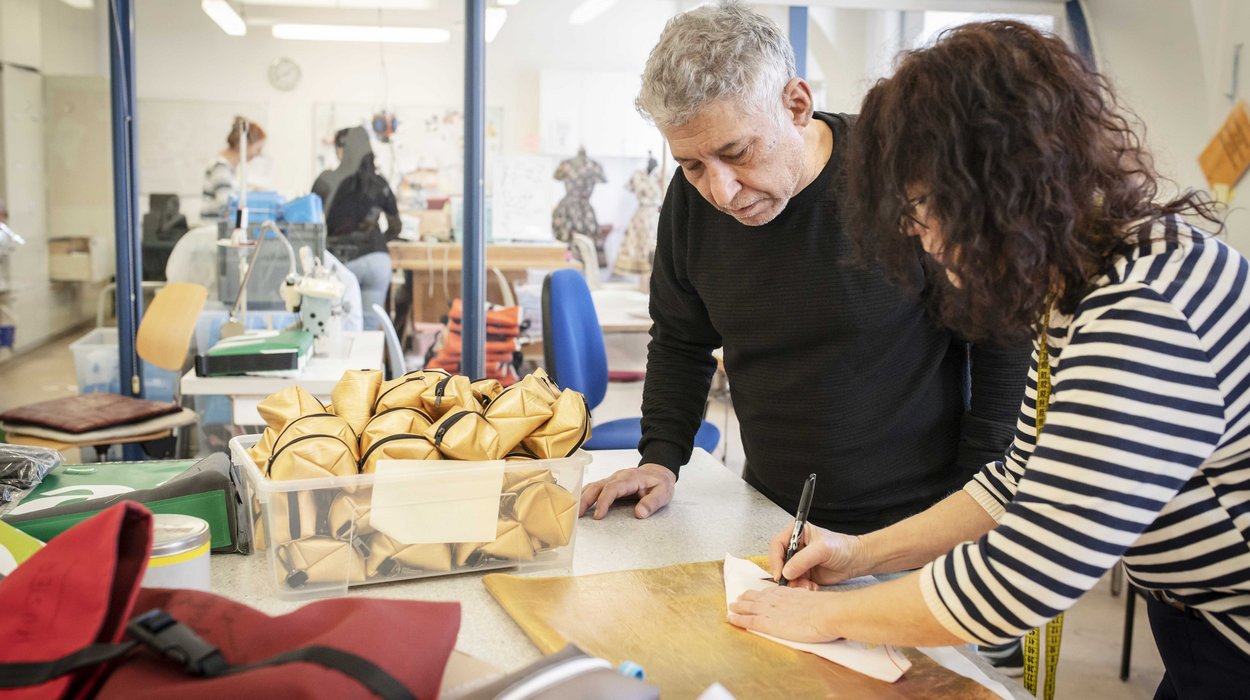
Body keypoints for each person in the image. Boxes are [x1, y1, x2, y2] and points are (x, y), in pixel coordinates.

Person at [727, 21, 1250, 698]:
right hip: (1196, 618)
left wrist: (821, 616)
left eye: (921, 205)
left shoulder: (1140, 310)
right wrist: (857, 553)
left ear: (997, 188)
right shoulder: (1079, 285)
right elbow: (1017, 480)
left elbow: (1022, 575)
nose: (915, 232)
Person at [579, 1, 1029, 539]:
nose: (720, 191)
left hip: (919, 519)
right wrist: (660, 459)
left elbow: (1000, 338)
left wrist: (975, 494)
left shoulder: (900, 175)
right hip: (771, 512)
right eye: (693, 164)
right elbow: (681, 338)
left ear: (796, 105)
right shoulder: (691, 201)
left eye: (737, 152)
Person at [314, 126, 401, 331]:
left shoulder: (326, 180)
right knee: (369, 330)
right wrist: (375, 241)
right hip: (378, 261)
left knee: (342, 325)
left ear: (340, 150)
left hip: (343, 263)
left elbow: (312, 222)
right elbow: (396, 226)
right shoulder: (379, 183)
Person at [201, 117, 266, 221]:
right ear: (244, 144)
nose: (258, 154)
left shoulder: (228, 168)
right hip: (213, 227)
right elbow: (226, 205)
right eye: (258, 149)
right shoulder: (221, 168)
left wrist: (252, 189)